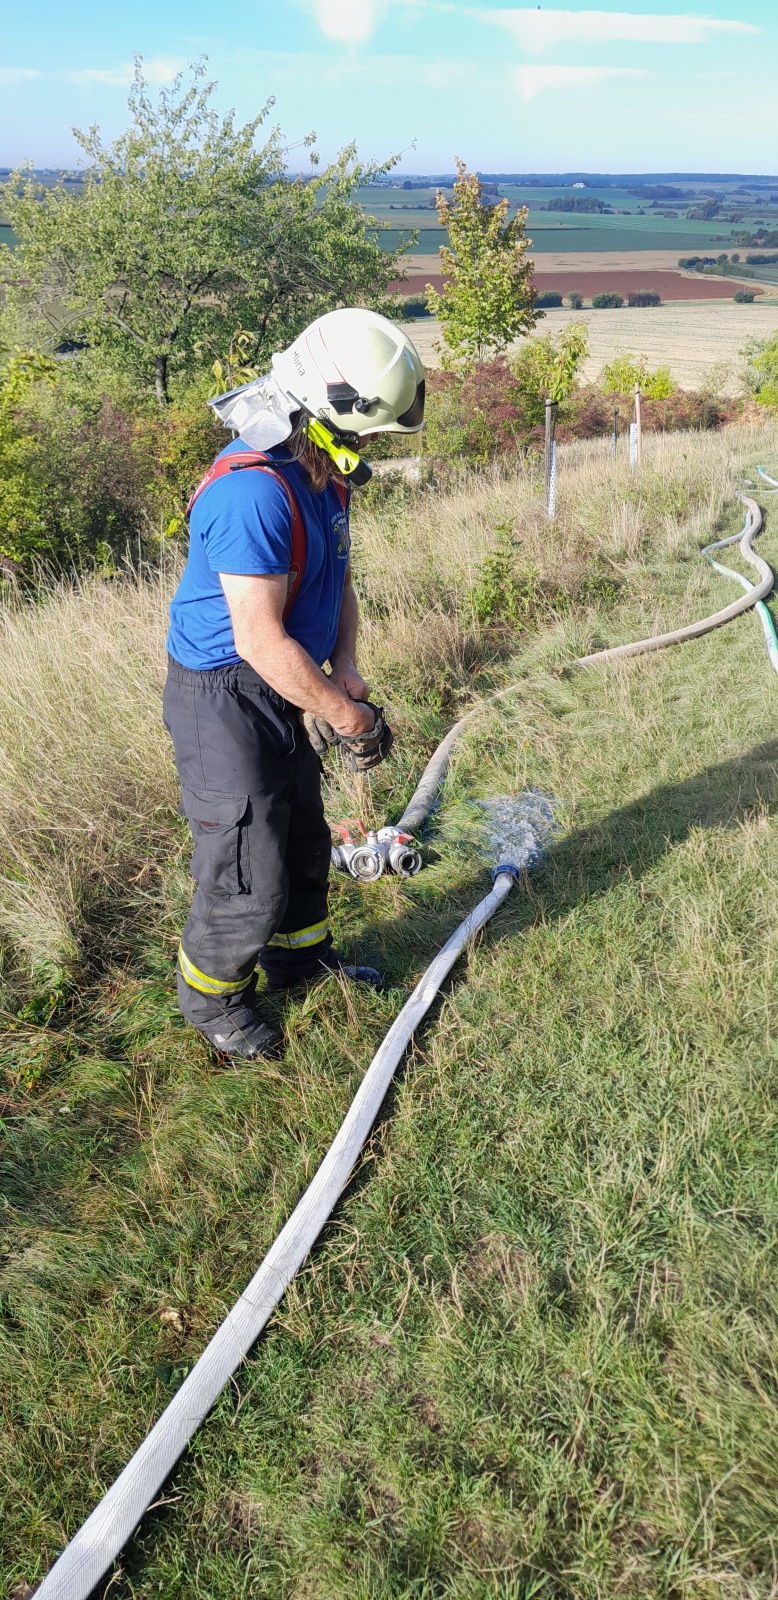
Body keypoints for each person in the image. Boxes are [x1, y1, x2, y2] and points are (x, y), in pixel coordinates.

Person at [163, 308, 426, 1061]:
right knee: (250, 865)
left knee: (304, 838)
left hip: (285, 680)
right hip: (225, 695)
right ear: (328, 412)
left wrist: (343, 666)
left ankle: (300, 960)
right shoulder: (251, 493)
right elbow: (259, 637)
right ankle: (213, 1002)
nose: (375, 444)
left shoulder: (322, 470)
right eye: (371, 429)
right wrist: (346, 714)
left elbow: (335, 575)